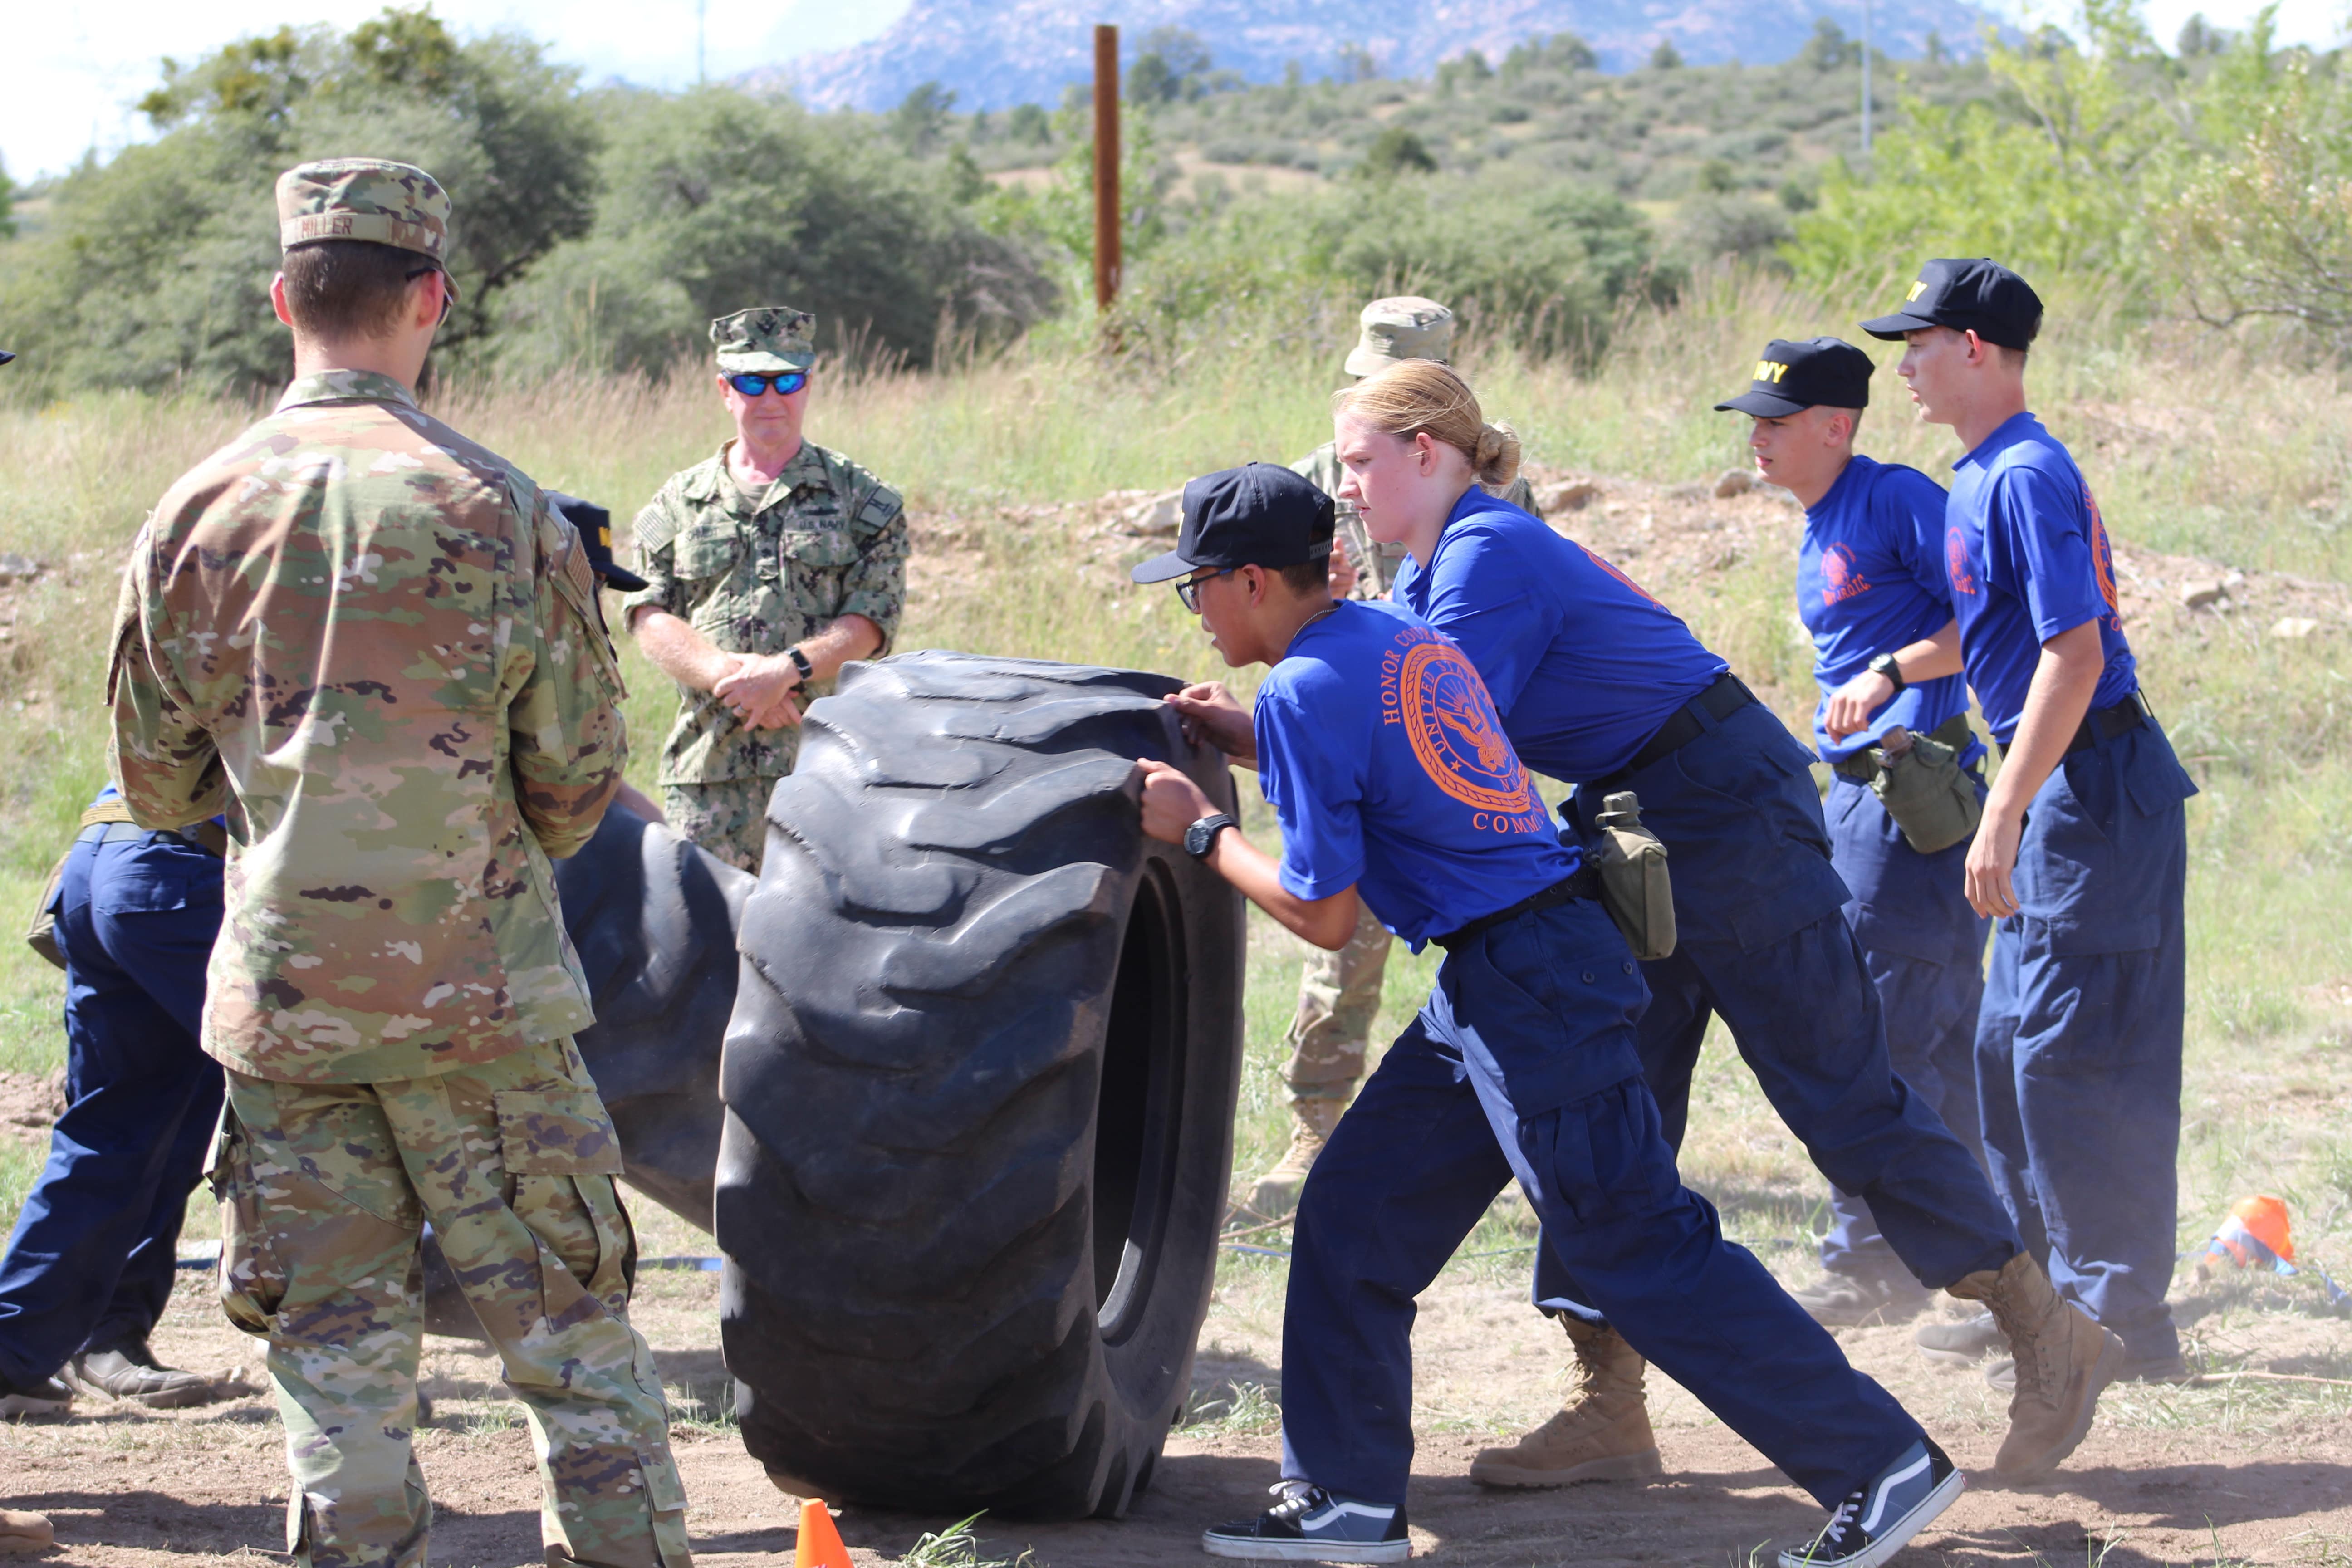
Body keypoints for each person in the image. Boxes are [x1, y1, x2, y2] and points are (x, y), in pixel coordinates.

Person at [1133, 464, 1959, 1568]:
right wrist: (1255, 737)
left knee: (1635, 1243)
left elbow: (1325, 914)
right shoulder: (1392, 636)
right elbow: (1390, 758)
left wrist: (1196, 832)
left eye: (1195, 587)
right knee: (1355, 1212)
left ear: (1246, 581)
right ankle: (1342, 1496)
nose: (1194, 609)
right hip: (1505, 970)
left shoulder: (1304, 690)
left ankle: (1878, 1462)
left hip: (1531, 984)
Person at [1329, 360, 2119, 1491]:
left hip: (1720, 806)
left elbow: (1445, 739)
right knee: (1607, 1095)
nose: (1345, 485)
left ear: (1424, 451)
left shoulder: (1482, 553)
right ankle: (1608, 1401)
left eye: (1359, 459)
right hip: (1630, 815)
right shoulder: (1427, 574)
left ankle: (2046, 1327)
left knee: (1836, 1093)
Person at [109, 157, 691, 1568]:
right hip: (481, 1007)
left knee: (335, 1364)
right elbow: (573, 786)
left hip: (288, 1013)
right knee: (572, 1351)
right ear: (431, 298)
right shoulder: (504, 510)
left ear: (280, 301)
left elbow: (153, 783)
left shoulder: (192, 513)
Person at [1858, 259, 2198, 1384]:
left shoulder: (2025, 475)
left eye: (1918, 341)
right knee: (2008, 1044)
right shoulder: (1980, 472)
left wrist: (1999, 811)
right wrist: (1899, 664)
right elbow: (1998, 626)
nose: (1902, 363)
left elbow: (2074, 651)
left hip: (2089, 789)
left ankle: (2115, 1320)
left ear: (1976, 348)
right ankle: (2043, 1295)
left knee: (2077, 1055)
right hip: (2056, 783)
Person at [1242, 296, 1547, 1223]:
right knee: (1342, 953)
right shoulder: (1316, 479)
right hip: (1353, 744)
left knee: (1502, 946)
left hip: (1451, 750)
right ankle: (1317, 1127)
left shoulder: (1490, 497)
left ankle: (1532, 1127)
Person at [1719, 337, 1993, 1328]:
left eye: (1776, 421)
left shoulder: (1894, 500)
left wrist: (1890, 670)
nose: (1757, 437)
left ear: (1837, 426)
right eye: (1753, 419)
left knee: (1871, 1031)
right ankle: (1976, 1259)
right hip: (1867, 795)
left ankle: (1871, 1265)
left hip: (1911, 789)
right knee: (1930, 1039)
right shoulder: (1823, 517)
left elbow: (1994, 620)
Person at [621, 308, 908, 873]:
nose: (771, 397)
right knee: (705, 944)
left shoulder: (865, 502)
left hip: (827, 770)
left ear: (809, 384)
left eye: (788, 380)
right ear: (725, 390)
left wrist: (785, 672)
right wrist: (734, 678)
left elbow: (872, 623)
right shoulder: (678, 502)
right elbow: (646, 614)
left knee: (827, 943)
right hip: (710, 776)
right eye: (753, 382)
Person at [0, 786, 231, 1416]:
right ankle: (345, 1362)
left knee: (131, 1128)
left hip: (105, 860)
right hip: (182, 874)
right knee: (309, 1098)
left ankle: (38, 1345)